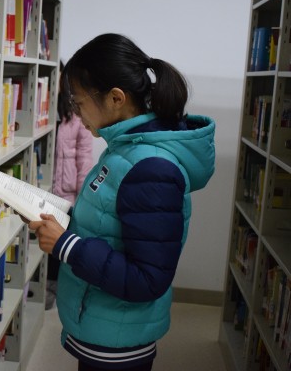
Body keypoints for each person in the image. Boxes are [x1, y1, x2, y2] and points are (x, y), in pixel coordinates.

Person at [28, 33, 215, 371]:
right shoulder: (125, 149)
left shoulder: (152, 168)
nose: (75, 113)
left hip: (117, 342)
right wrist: (59, 216)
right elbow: (109, 222)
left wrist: (66, 245)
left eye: (79, 103)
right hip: (102, 326)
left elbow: (148, 279)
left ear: (115, 98)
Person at [46, 62, 95, 310]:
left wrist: (83, 197)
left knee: (57, 242)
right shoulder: (40, 107)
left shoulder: (76, 113)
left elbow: (84, 157)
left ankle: (52, 287)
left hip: (65, 193)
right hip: (41, 187)